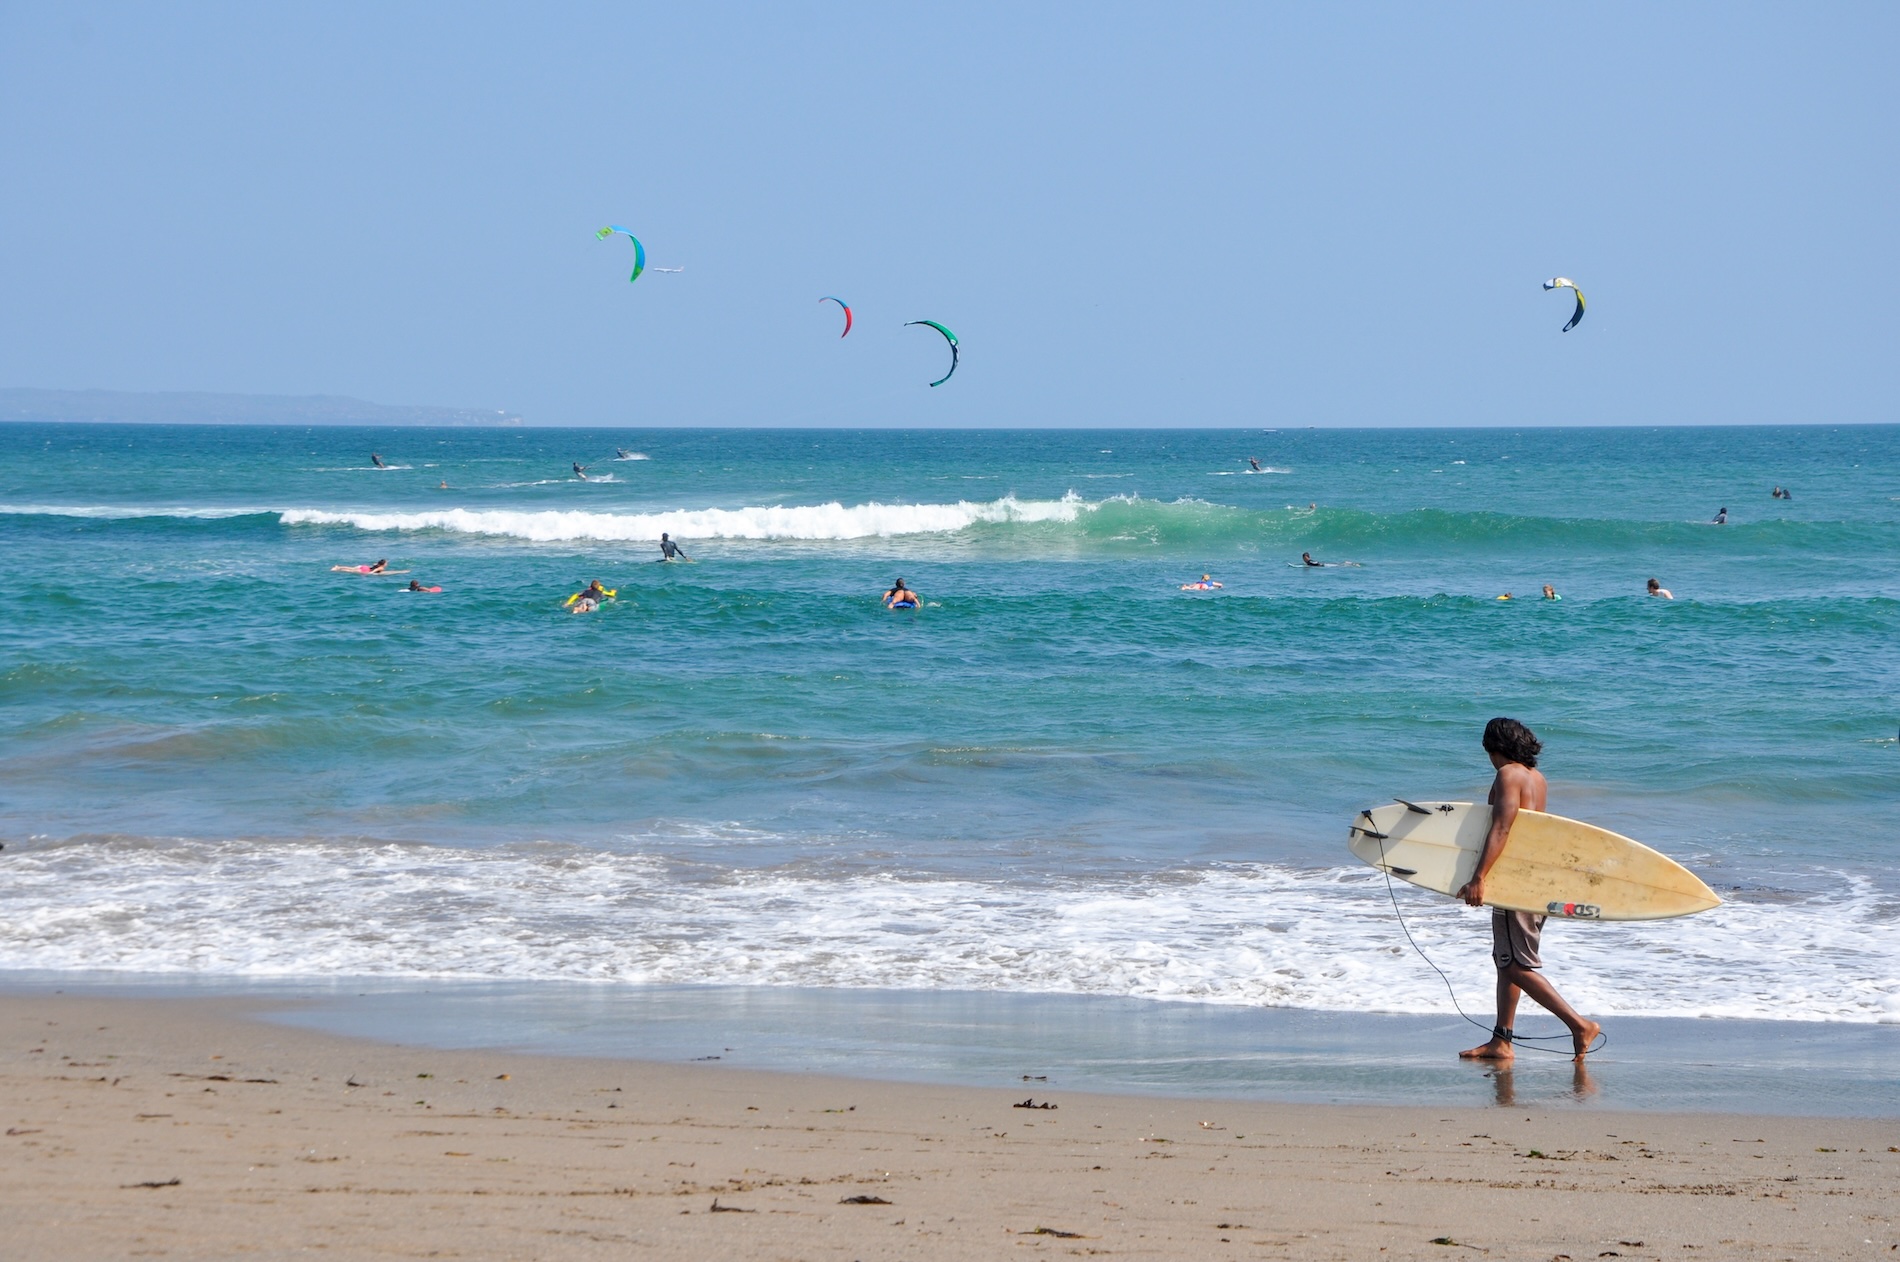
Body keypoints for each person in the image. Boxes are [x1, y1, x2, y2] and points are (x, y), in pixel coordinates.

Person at [1457, 718, 1602, 1062]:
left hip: (1514, 882)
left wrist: (1479, 878)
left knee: (1515, 966)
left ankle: (1579, 1025)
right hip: (1534, 880)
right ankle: (1501, 1041)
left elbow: (1502, 828)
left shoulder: (1508, 775)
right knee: (1507, 962)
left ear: (1493, 747)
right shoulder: (1537, 779)